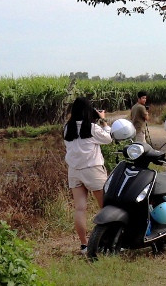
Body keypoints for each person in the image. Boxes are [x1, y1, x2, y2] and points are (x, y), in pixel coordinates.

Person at [63, 96, 112, 254]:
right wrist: (103, 120)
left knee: (80, 209)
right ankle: (110, 241)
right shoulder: (92, 128)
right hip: (93, 170)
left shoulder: (67, 128)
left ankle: (84, 245)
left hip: (74, 171)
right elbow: (108, 139)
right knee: (106, 207)